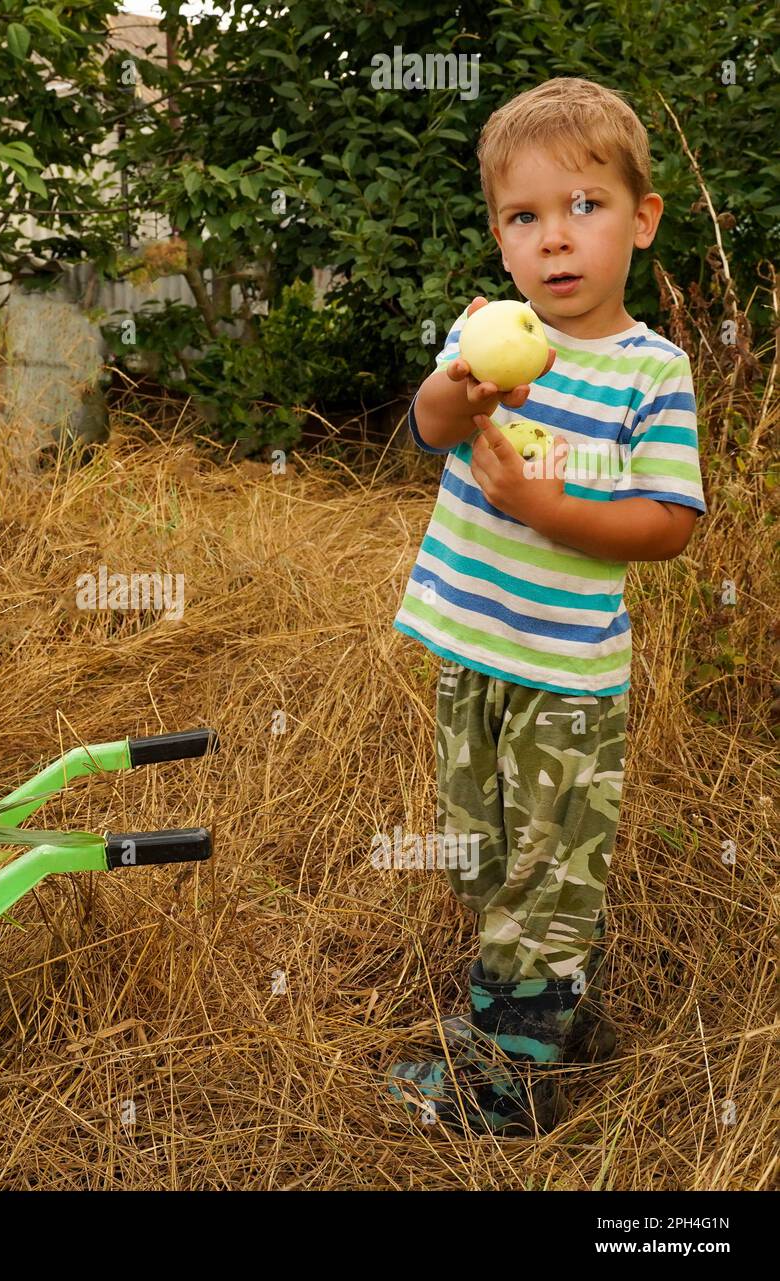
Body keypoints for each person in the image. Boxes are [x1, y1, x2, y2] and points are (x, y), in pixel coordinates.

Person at [387, 77, 706, 1135]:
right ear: (499, 235)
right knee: (478, 857)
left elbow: (669, 522)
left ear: (641, 221)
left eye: (584, 207)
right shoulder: (488, 332)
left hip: (565, 676)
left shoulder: (648, 373)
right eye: (526, 217)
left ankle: (508, 1086)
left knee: (549, 872)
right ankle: (534, 1004)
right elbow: (430, 425)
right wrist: (465, 387)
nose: (555, 241)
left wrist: (545, 508)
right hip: (469, 653)